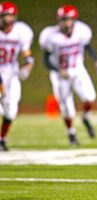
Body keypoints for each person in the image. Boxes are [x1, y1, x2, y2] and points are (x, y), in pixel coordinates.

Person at [39, 4, 97, 146]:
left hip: (77, 70)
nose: (67, 23)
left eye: (69, 19)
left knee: (90, 97)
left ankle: (86, 117)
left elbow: (87, 46)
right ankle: (71, 133)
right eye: (64, 19)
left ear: (74, 20)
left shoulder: (82, 31)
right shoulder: (50, 36)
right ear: (59, 21)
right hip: (60, 75)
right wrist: (58, 70)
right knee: (67, 107)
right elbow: (45, 60)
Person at [0, 1, 34, 151]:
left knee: (11, 111)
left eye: (10, 16)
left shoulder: (21, 31)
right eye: (5, 16)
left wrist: (27, 67)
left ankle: (2, 140)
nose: (8, 19)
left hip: (12, 74)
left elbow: (27, 55)